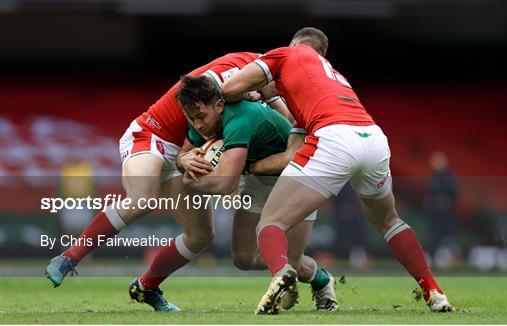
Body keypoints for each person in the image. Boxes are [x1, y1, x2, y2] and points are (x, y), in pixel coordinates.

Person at [220, 27, 455, 314]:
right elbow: (294, 140)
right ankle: (434, 290)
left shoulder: (286, 54)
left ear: (295, 44)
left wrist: (256, 94)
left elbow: (228, 89)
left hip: (333, 138)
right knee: (389, 221)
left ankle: (281, 274)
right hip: (373, 139)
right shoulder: (331, 76)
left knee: (271, 223)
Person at [45, 52, 286, 312]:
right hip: (151, 136)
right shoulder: (238, 77)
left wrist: (186, 160)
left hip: (187, 148)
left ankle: (146, 287)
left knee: (201, 236)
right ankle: (68, 258)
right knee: (142, 199)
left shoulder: (244, 82)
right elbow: (265, 99)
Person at [176, 75, 338, 312]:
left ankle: (321, 281)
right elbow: (183, 153)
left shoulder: (240, 119)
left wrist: (190, 184)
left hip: (297, 178)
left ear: (219, 105)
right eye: (191, 118)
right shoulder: (200, 116)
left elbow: (225, 185)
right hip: (257, 180)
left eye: (201, 117)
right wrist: (184, 160)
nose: (198, 125)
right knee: (243, 259)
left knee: (291, 262)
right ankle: (287, 272)